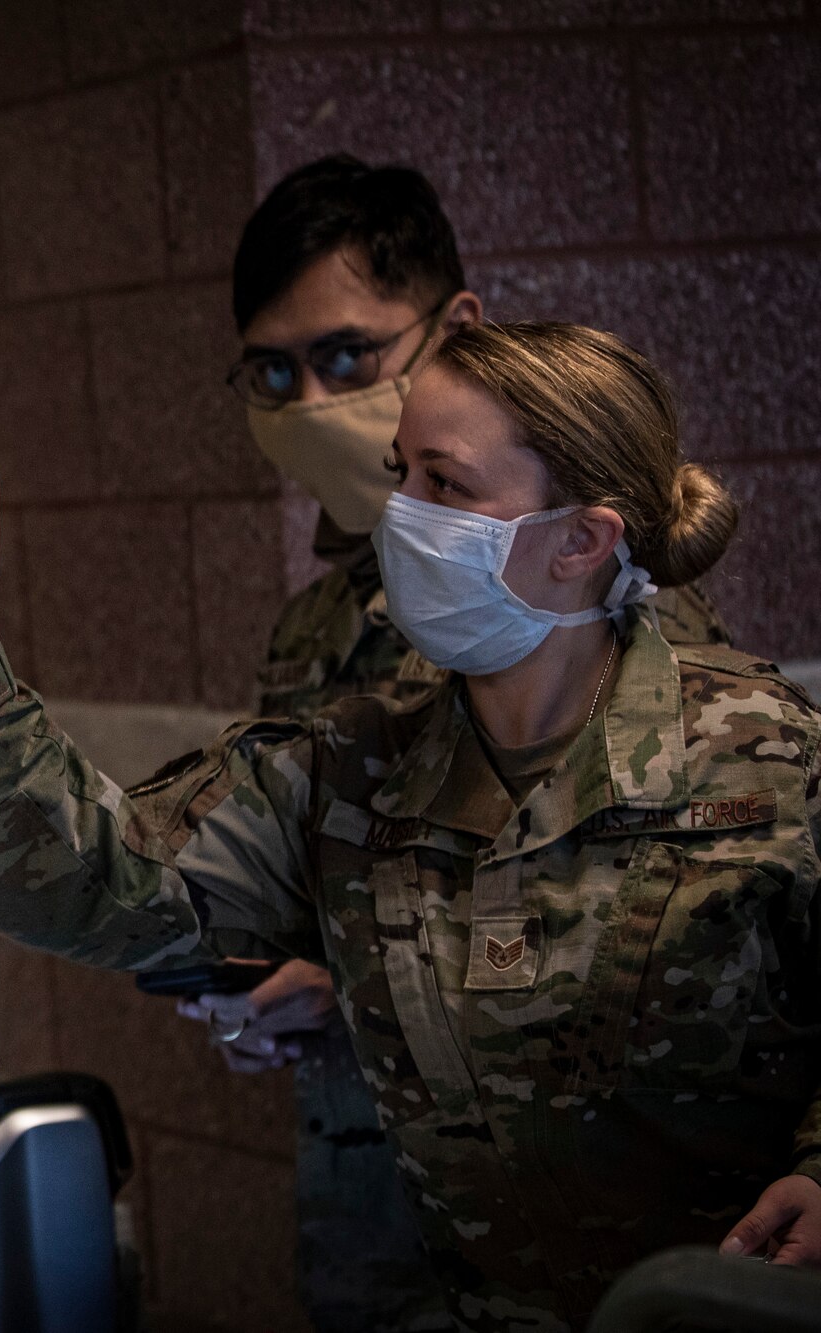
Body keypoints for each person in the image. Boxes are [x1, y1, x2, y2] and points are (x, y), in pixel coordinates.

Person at [0, 321, 821, 1333]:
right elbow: (88, 879)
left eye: (444, 484)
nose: (398, 514)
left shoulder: (765, 760)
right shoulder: (352, 767)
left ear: (578, 541)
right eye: (398, 472)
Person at [180, 156, 730, 1333]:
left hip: (569, 1226)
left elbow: (660, 915)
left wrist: (354, 970)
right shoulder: (319, 625)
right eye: (270, 371)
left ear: (455, 330)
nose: (306, 401)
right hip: (374, 1195)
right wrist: (279, 980)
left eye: (346, 356)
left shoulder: (599, 603)